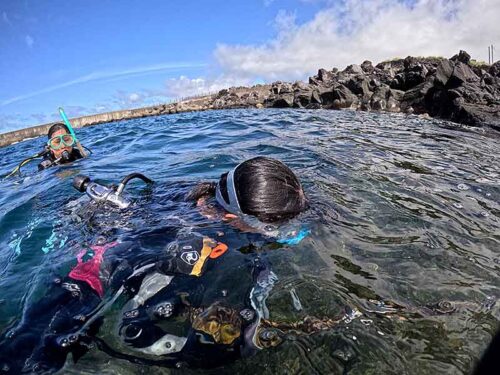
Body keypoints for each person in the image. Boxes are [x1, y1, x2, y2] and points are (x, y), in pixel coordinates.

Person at [0, 157, 311, 373]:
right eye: (271, 226)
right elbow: (133, 312)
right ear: (232, 217)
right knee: (38, 346)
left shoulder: (211, 192)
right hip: (111, 248)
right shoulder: (184, 233)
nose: (276, 234)